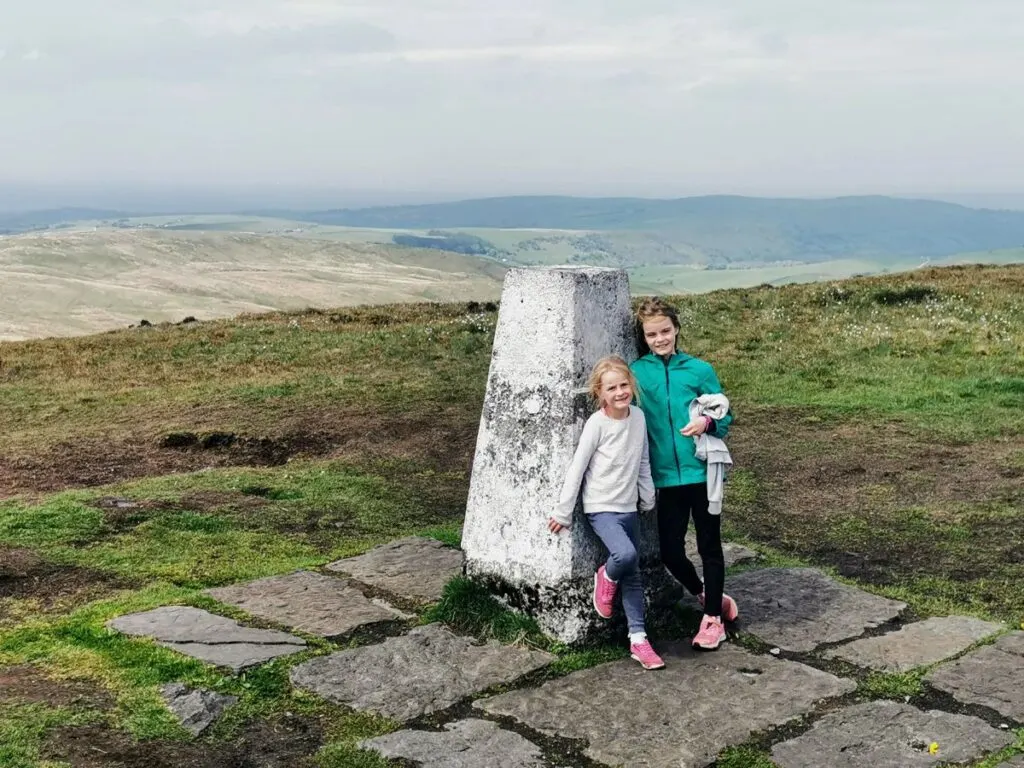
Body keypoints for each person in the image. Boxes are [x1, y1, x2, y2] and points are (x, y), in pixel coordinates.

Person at [630, 297, 739, 651]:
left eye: (665, 331)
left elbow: (725, 416)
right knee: (670, 551)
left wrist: (707, 422)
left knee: (709, 545)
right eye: (652, 334)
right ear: (643, 337)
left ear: (677, 329)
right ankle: (707, 595)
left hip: (702, 473)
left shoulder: (699, 370)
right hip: (665, 478)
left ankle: (712, 621)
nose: (660, 339)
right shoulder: (638, 372)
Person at [547, 355, 665, 670]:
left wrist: (647, 495)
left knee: (634, 573)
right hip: (601, 508)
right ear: (600, 392)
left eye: (624, 385)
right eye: (611, 388)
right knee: (624, 556)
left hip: (629, 506)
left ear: (632, 386)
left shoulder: (638, 418)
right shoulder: (597, 424)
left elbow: (642, 459)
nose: (619, 392)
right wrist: (563, 512)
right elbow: (578, 467)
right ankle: (605, 575)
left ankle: (639, 640)